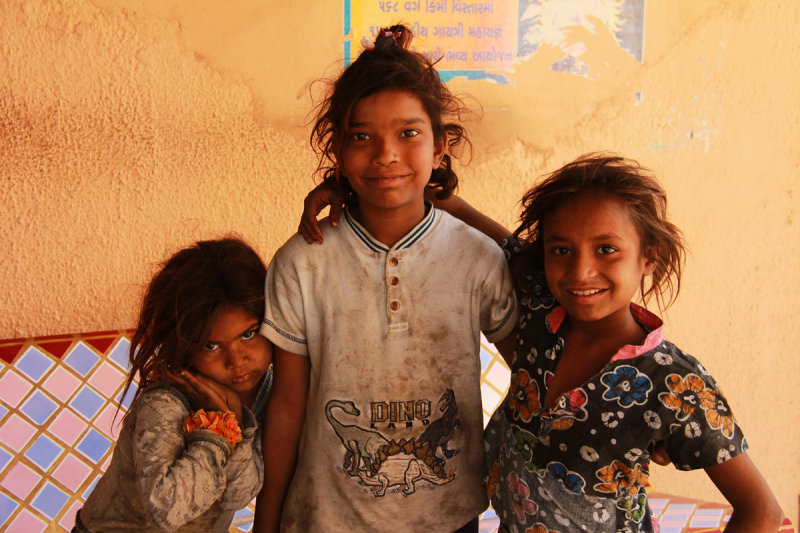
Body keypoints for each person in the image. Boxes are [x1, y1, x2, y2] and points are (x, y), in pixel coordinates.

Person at [300, 153, 783, 532]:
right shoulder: (539, 314)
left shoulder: (672, 384)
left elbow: (760, 512)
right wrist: (351, 189)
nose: (580, 272)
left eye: (607, 250)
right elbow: (502, 244)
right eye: (561, 250)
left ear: (647, 259)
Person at [254, 24, 518, 533]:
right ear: (338, 151)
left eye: (408, 133)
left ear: (441, 146)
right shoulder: (302, 263)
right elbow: (288, 404)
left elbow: (535, 370)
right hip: (328, 519)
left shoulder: (477, 259)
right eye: (361, 136)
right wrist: (266, 524)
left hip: (447, 517)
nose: (385, 154)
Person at [73, 237, 274, 533]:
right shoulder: (166, 402)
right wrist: (217, 429)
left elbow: (239, 494)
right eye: (211, 345)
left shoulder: (272, 392)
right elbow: (166, 510)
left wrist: (235, 422)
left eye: (248, 334)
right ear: (184, 347)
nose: (237, 360)